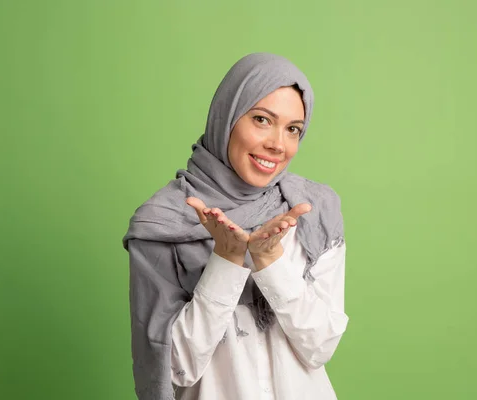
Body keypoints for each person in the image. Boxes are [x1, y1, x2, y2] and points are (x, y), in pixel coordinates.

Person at [122, 52, 348, 400]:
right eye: (261, 119)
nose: (278, 144)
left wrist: (270, 261)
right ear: (226, 118)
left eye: (293, 129)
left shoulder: (312, 211)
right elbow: (172, 369)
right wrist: (227, 259)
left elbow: (320, 346)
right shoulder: (163, 223)